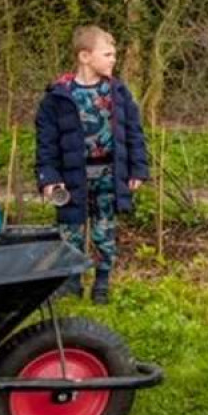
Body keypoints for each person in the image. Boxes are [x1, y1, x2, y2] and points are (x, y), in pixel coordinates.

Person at [35, 26, 149, 304]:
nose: (113, 60)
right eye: (107, 54)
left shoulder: (119, 93)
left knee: (104, 231)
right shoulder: (58, 97)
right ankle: (71, 281)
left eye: (114, 55)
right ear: (85, 56)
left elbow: (134, 133)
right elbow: (46, 143)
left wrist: (138, 169)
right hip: (72, 177)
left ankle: (102, 282)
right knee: (70, 231)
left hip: (110, 174)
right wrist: (48, 177)